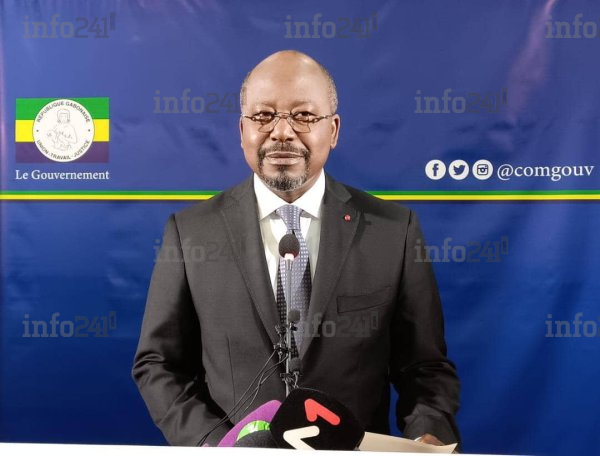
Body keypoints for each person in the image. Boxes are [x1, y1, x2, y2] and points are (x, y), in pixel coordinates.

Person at [132, 50, 460, 448]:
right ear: (242, 130)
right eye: (263, 115)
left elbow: (424, 368)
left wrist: (426, 437)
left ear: (333, 130)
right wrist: (218, 445)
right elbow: (159, 365)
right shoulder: (190, 233)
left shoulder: (393, 232)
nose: (282, 132)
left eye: (303, 115)